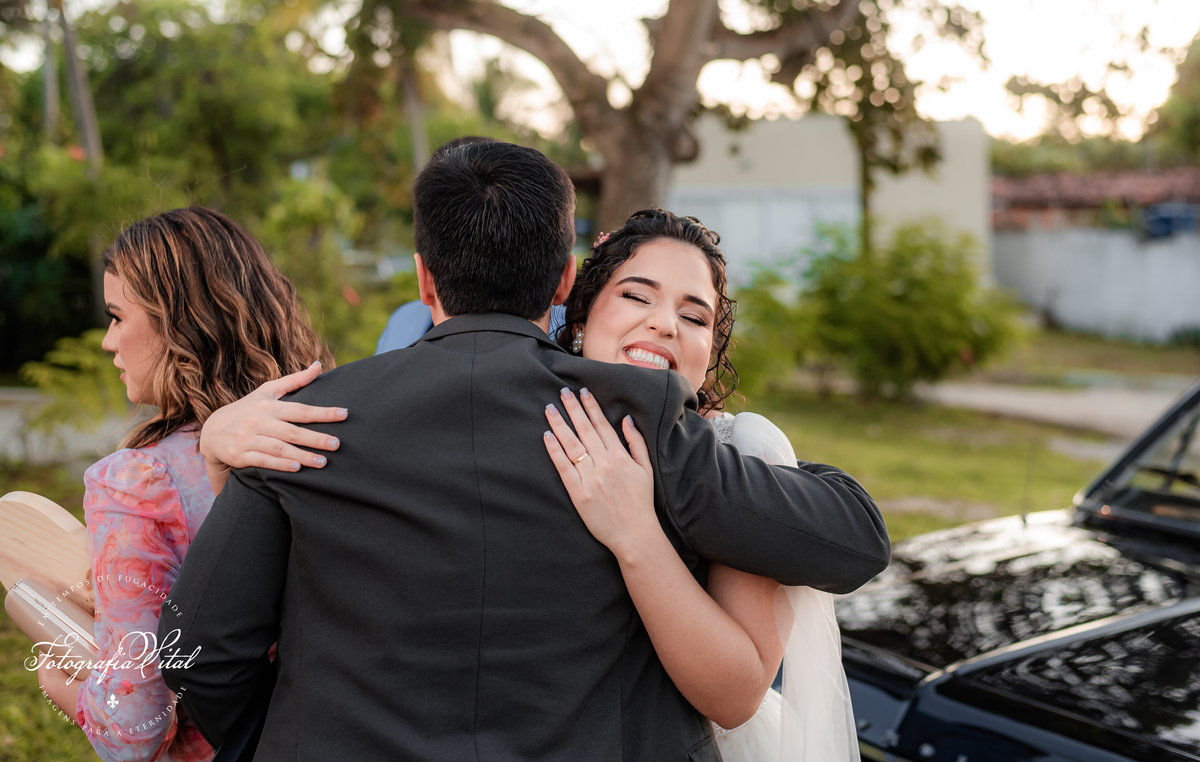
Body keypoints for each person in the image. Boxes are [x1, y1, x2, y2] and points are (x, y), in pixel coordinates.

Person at [161, 141, 889, 761]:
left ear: (424, 277)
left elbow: (197, 645)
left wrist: (284, 738)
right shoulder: (634, 422)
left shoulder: (297, 423)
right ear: (567, 281)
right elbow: (855, 539)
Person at [541, 209, 858, 760]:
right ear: (581, 317)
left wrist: (636, 532)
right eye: (637, 297)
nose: (665, 324)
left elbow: (736, 695)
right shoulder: (523, 415)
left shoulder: (737, 454)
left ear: (710, 352)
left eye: (694, 316)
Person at [33, 206, 332, 762]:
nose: (107, 341)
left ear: (176, 324)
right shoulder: (326, 432)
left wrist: (61, 688)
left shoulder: (136, 484)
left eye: (117, 317)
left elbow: (136, 731)